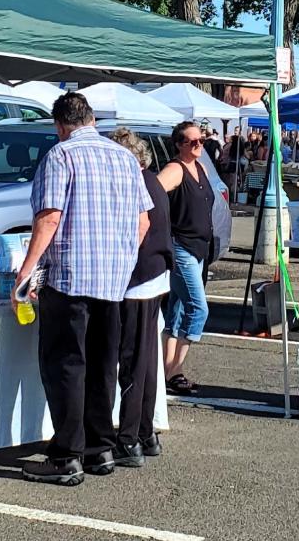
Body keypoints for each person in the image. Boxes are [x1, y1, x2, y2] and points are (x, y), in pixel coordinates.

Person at [16, 92, 150, 484]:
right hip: (112, 282)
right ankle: (99, 448)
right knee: (102, 366)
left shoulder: (61, 156)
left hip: (71, 277)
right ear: (91, 119)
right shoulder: (125, 158)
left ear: (60, 126)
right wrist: (121, 258)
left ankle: (67, 455)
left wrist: (26, 273)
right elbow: (143, 223)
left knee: (66, 366)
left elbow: (49, 218)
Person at [109, 128, 175, 465]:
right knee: (145, 361)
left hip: (138, 278)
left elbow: (140, 228)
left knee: (133, 361)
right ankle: (145, 434)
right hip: (155, 276)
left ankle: (129, 438)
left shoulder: (135, 183)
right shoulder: (153, 182)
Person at [158, 121, 216, 392]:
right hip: (180, 246)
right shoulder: (174, 169)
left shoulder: (201, 167)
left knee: (177, 310)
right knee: (198, 308)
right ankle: (174, 371)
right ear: (180, 145)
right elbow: (153, 195)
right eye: (193, 142)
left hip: (200, 246)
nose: (199, 145)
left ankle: (166, 370)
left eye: (201, 140)